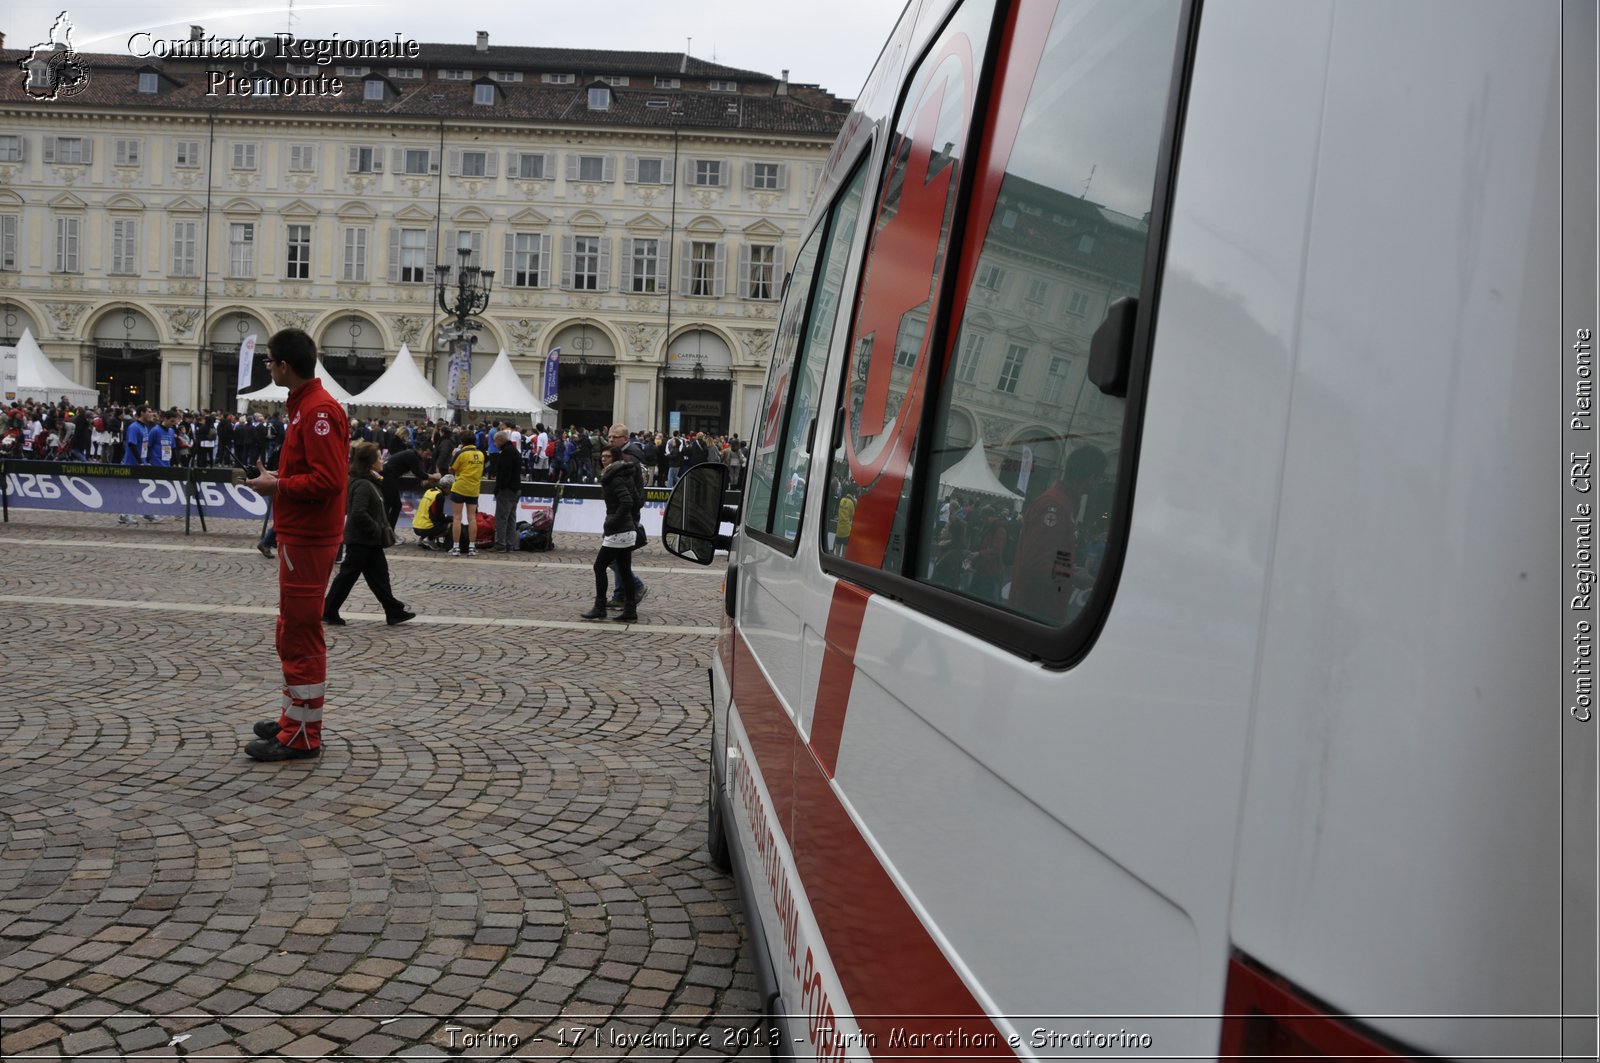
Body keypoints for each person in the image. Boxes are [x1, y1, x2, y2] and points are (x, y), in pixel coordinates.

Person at [242, 328, 349, 763]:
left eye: (268, 362)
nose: (268, 368)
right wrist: (278, 479)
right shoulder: (306, 406)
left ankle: (303, 733)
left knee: (301, 633)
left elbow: (328, 480)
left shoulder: (318, 410)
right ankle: (294, 719)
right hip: (301, 534)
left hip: (309, 537)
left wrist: (277, 484)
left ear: (284, 365)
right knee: (291, 630)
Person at [1009, 445, 1109, 621]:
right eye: (1102, 477)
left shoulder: (1064, 503)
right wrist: (1074, 576)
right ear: (1092, 476)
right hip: (1035, 610)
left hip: (1042, 606)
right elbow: (1035, 563)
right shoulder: (1055, 506)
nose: (1102, 482)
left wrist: (1070, 569)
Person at [322, 441, 416, 627]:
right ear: (371, 462)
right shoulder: (363, 485)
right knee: (348, 576)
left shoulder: (368, 480)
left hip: (370, 541)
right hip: (362, 539)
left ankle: (393, 610)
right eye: (380, 458)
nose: (383, 460)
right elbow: (358, 512)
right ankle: (328, 610)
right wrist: (376, 529)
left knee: (379, 575)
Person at [581, 445, 644, 622]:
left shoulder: (615, 477)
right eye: (602, 456)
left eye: (607, 456)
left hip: (619, 531)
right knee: (624, 570)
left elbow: (627, 501)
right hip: (627, 528)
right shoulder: (624, 474)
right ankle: (630, 610)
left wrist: (612, 521)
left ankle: (600, 607)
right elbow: (637, 500)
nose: (603, 459)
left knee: (599, 566)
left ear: (615, 459)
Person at [605, 424, 647, 607]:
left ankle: (636, 585)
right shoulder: (621, 456)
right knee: (620, 554)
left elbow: (633, 491)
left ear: (625, 439)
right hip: (620, 512)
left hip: (625, 514)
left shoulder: (629, 458)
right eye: (609, 437)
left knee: (611, 556)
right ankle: (619, 595)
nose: (611, 440)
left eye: (615, 437)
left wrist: (624, 512)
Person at [379, 442, 432, 536]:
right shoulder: (412, 456)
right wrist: (434, 477)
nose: (427, 457)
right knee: (394, 505)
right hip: (388, 477)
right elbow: (420, 473)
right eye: (426, 454)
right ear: (420, 450)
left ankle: (386, 532)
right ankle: (387, 533)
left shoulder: (411, 454)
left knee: (390, 505)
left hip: (387, 476)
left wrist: (424, 477)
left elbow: (418, 472)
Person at [448, 429, 484, 556]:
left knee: (457, 517)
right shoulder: (481, 454)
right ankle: (472, 547)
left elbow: (451, 469)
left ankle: (456, 546)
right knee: (472, 518)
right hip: (474, 488)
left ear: (462, 441)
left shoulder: (461, 453)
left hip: (460, 487)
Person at [118, 406, 156, 525]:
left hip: (141, 462)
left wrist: (146, 460)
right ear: (142, 413)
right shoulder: (134, 427)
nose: (151, 414)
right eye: (149, 412)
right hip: (132, 463)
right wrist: (140, 461)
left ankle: (145, 511)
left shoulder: (145, 427)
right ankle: (125, 514)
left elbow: (144, 445)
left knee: (142, 488)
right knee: (131, 489)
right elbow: (132, 444)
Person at [492, 430, 522, 553]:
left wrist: (499, 487)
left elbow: (504, 474)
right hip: (516, 488)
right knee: (511, 518)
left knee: (501, 517)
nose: (494, 444)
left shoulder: (506, 453)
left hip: (507, 490)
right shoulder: (514, 451)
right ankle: (510, 544)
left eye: (495, 441)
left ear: (499, 440)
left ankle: (500, 543)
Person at [413, 474, 451, 549]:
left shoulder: (429, 491)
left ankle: (422, 539)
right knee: (450, 525)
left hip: (416, 526)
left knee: (429, 520)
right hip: (426, 528)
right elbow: (438, 517)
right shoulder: (439, 495)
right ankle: (430, 540)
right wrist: (451, 518)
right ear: (448, 487)